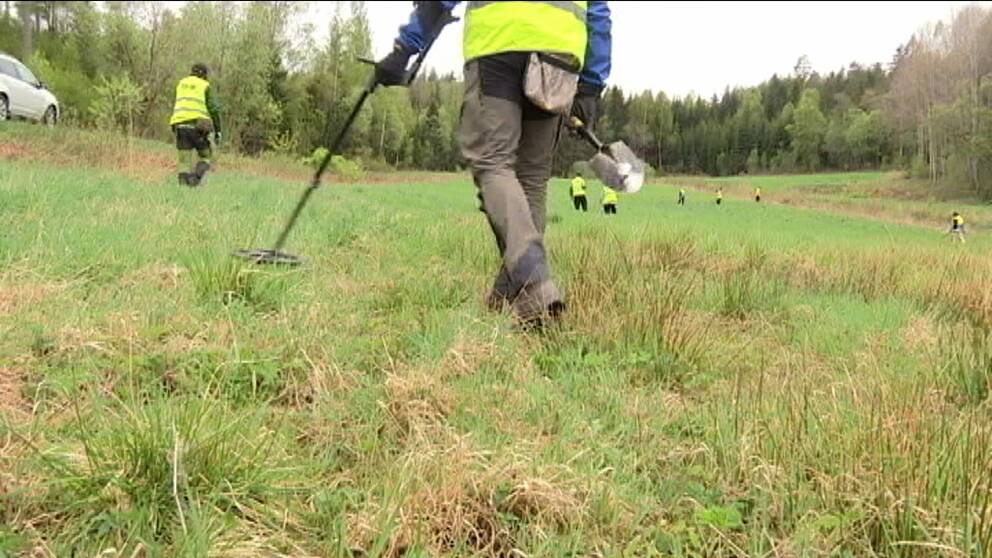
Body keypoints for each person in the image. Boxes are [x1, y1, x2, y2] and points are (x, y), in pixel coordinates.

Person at [376, 1, 612, 325]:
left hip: (498, 41)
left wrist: (406, 46)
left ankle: (534, 282)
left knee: (493, 163)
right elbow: (599, 11)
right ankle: (506, 298)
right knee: (532, 178)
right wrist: (591, 85)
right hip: (560, 52)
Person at [169, 63, 222, 187]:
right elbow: (214, 110)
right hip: (198, 127)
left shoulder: (181, 84)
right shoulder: (205, 85)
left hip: (180, 126)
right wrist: (218, 131)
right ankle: (195, 180)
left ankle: (183, 189)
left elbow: (177, 104)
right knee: (206, 156)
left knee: (183, 162)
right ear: (204, 75)